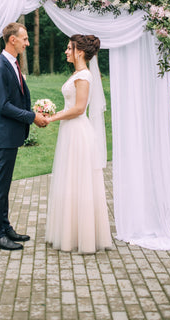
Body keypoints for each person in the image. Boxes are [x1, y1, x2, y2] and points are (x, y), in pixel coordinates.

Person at [44, 34, 112, 254]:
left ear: (79, 52)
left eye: (69, 48)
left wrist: (51, 117)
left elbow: (79, 108)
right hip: (70, 131)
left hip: (78, 132)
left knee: (78, 181)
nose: (66, 51)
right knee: (70, 179)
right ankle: (69, 232)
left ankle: (82, 235)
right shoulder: (77, 73)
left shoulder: (83, 76)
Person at [0, 22, 47, 251]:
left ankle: (4, 227)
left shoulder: (12, 64)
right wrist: (32, 117)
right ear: (12, 39)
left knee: (4, 186)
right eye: (24, 38)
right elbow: (3, 106)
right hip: (3, 136)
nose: (27, 42)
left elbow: (18, 97)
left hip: (10, 136)